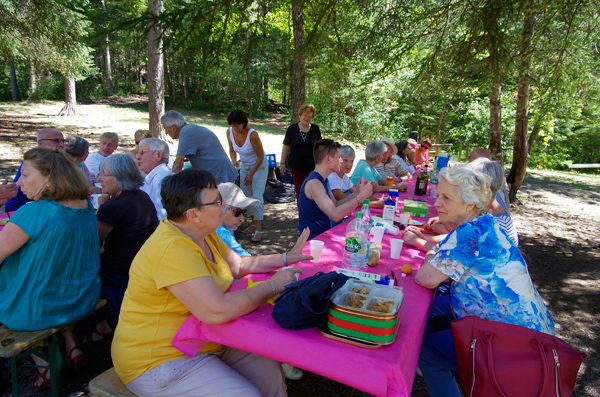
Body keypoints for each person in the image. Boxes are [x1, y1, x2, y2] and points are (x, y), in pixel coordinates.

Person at [111, 169, 311, 396]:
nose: (224, 205)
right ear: (192, 215)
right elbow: (217, 310)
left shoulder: (203, 232)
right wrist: (273, 285)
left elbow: (238, 266)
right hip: (158, 359)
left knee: (271, 373)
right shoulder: (172, 248)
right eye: (217, 201)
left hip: (207, 340)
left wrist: (286, 258)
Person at [413, 166, 554, 397]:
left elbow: (426, 278)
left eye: (446, 198)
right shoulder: (484, 222)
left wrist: (431, 257)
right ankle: (464, 377)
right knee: (436, 320)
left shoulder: (469, 234)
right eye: (438, 195)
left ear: (469, 204)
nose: (437, 203)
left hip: (515, 345)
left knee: (424, 350)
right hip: (531, 333)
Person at [0, 148, 101, 389]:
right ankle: (70, 346)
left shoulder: (33, 212)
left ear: (49, 176)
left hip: (34, 309)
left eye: (25, 175)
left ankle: (43, 364)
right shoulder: (84, 205)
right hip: (80, 300)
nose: (19, 182)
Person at [217, 181, 305, 381]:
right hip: (228, 298)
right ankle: (281, 355)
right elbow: (244, 263)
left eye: (244, 212)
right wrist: (284, 259)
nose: (243, 218)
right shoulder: (219, 233)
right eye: (238, 212)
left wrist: (285, 258)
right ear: (220, 207)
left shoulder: (221, 230)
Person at [88, 154, 159, 341]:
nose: (99, 179)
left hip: (119, 275)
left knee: (79, 279)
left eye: (104, 175)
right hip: (143, 267)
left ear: (120, 177)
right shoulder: (142, 197)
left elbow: (93, 245)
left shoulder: (111, 207)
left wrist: (102, 208)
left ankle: (100, 327)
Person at [404, 158, 520, 250]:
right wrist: (426, 237)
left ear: (484, 189)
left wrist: (419, 241)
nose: (437, 204)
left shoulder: (492, 225)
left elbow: (450, 258)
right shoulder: (482, 213)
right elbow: (459, 239)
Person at [299, 139, 373, 239]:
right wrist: (360, 197)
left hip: (324, 237)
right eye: (339, 157)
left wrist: (356, 193)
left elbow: (335, 205)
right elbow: (335, 215)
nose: (341, 161)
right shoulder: (314, 183)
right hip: (313, 242)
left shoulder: (323, 180)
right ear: (328, 159)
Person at [226, 109, 268, 242]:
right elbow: (232, 150)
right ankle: (253, 223)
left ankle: (258, 230)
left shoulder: (252, 135)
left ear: (243, 123)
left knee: (256, 197)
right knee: (244, 197)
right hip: (244, 165)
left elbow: (260, 156)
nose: (235, 128)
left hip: (259, 166)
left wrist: (251, 173)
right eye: (232, 125)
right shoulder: (230, 132)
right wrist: (234, 160)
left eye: (237, 125)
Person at [161, 110, 237, 183]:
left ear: (174, 128)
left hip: (221, 175)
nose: (166, 133)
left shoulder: (186, 132)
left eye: (166, 129)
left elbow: (179, 163)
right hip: (220, 173)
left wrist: (169, 183)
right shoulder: (189, 129)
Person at [4, 128, 66, 212]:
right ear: (41, 143)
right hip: (18, 210)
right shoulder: (34, 163)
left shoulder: (58, 161)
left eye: (63, 141)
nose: (61, 145)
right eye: (56, 141)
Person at [280, 104, 322, 200]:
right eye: (304, 115)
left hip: (312, 166)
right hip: (296, 166)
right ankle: (301, 212)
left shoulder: (315, 129)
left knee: (312, 190)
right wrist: (282, 163)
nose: (306, 118)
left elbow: (320, 148)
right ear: (299, 115)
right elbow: (286, 147)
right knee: (300, 190)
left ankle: (311, 212)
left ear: (312, 117)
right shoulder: (292, 129)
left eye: (309, 116)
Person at [138, 138, 174, 220]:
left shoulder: (161, 180)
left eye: (142, 153)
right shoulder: (153, 178)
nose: (138, 157)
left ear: (158, 155)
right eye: (138, 153)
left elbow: (161, 218)